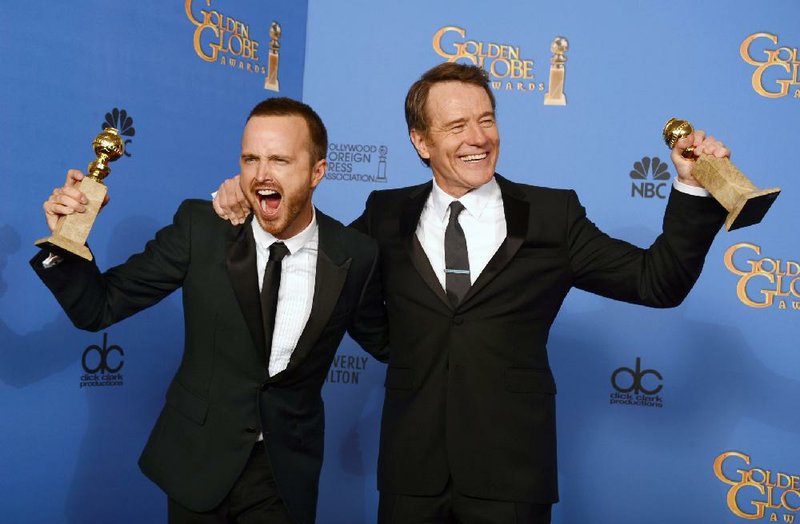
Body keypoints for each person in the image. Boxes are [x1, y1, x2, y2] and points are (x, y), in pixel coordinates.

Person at [213, 63, 729, 523]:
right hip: (411, 475)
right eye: (456, 126)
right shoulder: (385, 214)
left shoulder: (553, 215)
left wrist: (692, 189)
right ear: (422, 142)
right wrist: (249, 209)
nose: (477, 137)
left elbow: (656, 282)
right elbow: (315, 267)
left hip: (511, 476)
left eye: (486, 119)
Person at [31, 97, 388, 524]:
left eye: (279, 160)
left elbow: (387, 342)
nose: (261, 174)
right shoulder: (203, 228)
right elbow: (98, 308)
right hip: (196, 463)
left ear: (317, 172)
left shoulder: (355, 255)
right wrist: (64, 241)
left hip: (283, 475)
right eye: (250, 158)